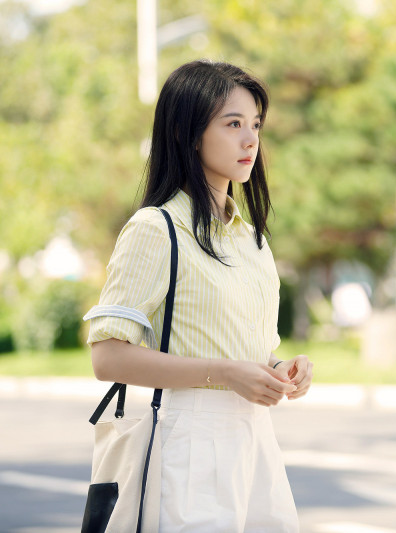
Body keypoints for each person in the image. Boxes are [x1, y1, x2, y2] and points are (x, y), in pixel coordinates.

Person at [83, 60, 313, 532]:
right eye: (233, 125)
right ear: (189, 133)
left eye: (255, 126)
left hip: (254, 448)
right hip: (187, 447)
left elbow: (243, 349)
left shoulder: (250, 240)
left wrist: (279, 370)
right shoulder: (157, 228)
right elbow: (107, 357)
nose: (250, 140)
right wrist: (224, 374)